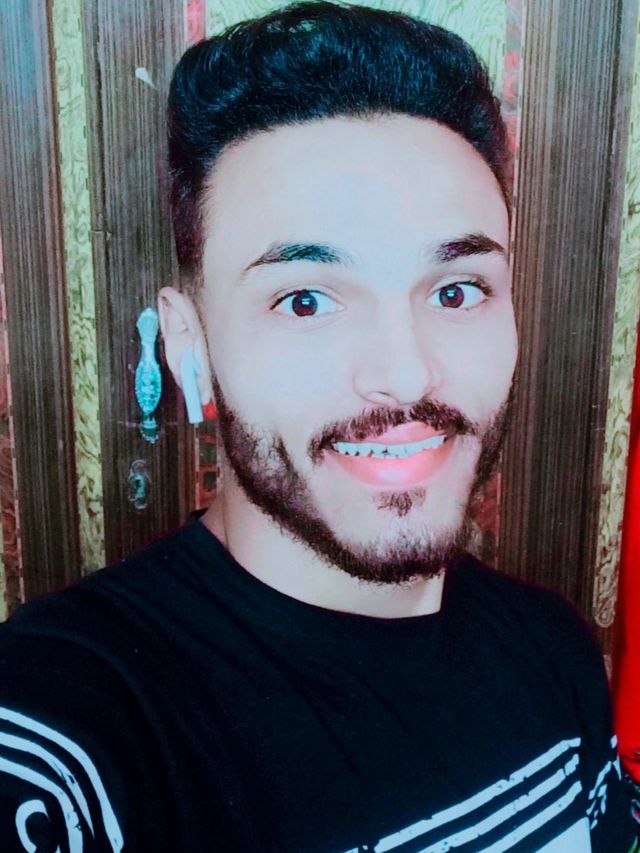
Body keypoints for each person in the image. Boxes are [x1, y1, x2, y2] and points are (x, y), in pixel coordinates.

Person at [0, 2, 637, 850]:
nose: (406, 373)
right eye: (306, 300)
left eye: (457, 291)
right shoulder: (70, 735)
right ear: (190, 348)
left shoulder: (554, 653)